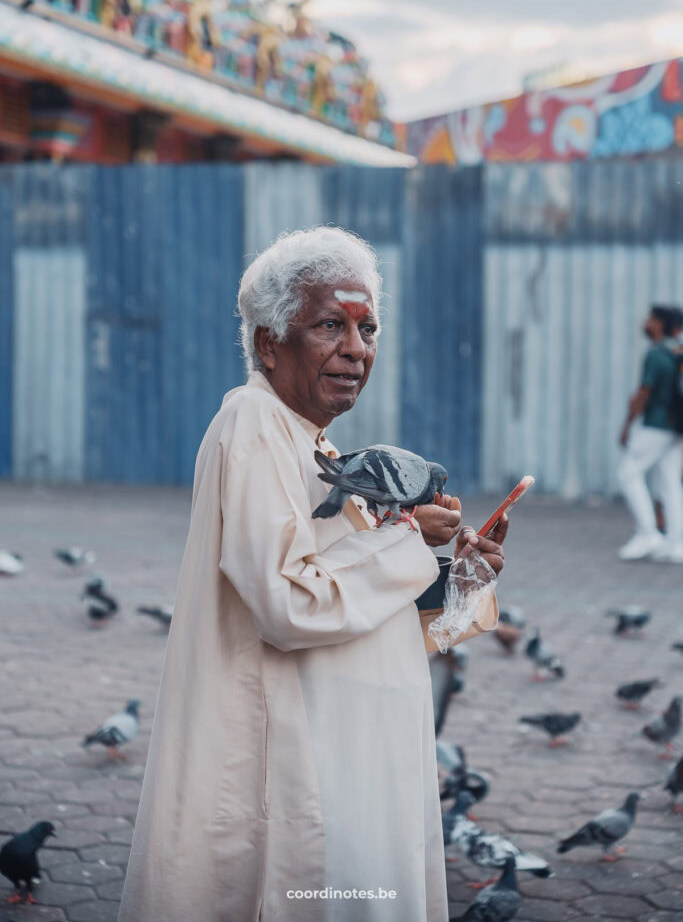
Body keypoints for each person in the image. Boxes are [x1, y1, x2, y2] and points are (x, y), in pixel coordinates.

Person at [117, 227, 506, 922]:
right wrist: (411, 538)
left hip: (353, 773)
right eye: (331, 324)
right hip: (302, 787)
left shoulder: (312, 443)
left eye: (368, 327)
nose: (356, 348)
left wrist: (461, 575)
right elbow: (290, 603)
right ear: (270, 342)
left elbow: (360, 609)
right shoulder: (254, 422)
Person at [617, 305, 683, 563]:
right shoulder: (676, 351)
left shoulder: (656, 355)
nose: (646, 322)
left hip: (656, 425)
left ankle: (647, 533)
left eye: (652, 319)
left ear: (661, 324)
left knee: (628, 472)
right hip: (676, 427)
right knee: (669, 481)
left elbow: (644, 392)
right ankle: (675, 542)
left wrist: (627, 424)